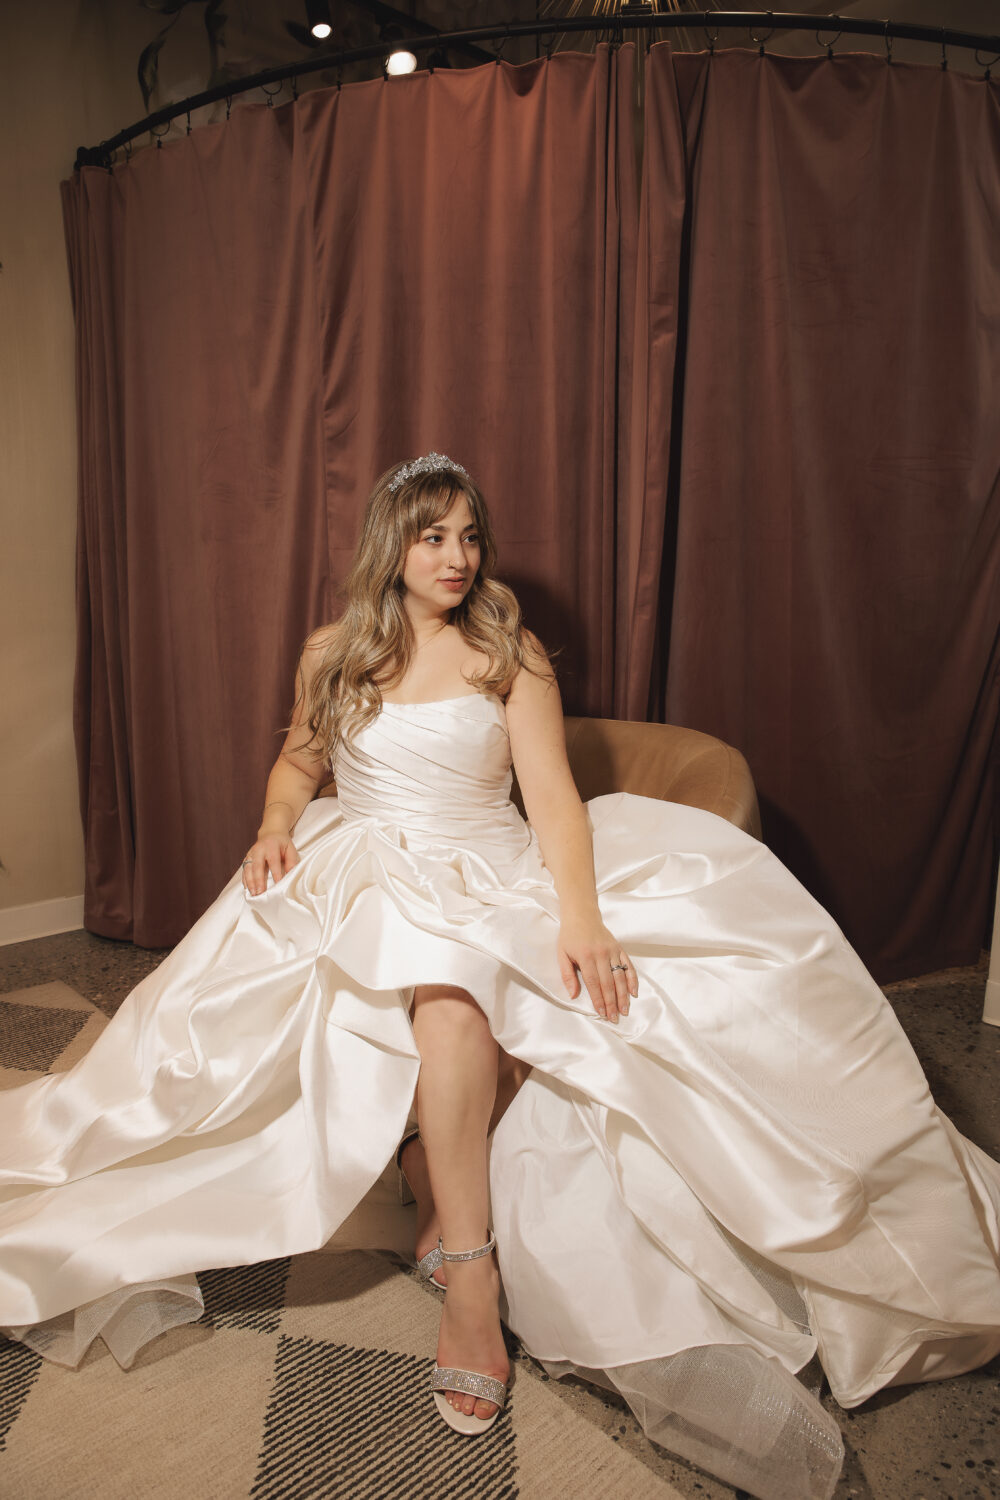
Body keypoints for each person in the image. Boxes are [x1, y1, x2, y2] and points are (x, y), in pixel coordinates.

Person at [1, 453, 998, 1498]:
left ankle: (458, 1258)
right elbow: (300, 761)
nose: (457, 557)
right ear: (392, 544)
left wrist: (581, 919)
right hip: (367, 866)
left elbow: (554, 798)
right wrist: (272, 828)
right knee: (381, 1000)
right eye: (434, 536)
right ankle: (451, 1236)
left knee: (462, 987)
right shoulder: (332, 653)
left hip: (488, 867)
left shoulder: (507, 653)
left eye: (471, 536)